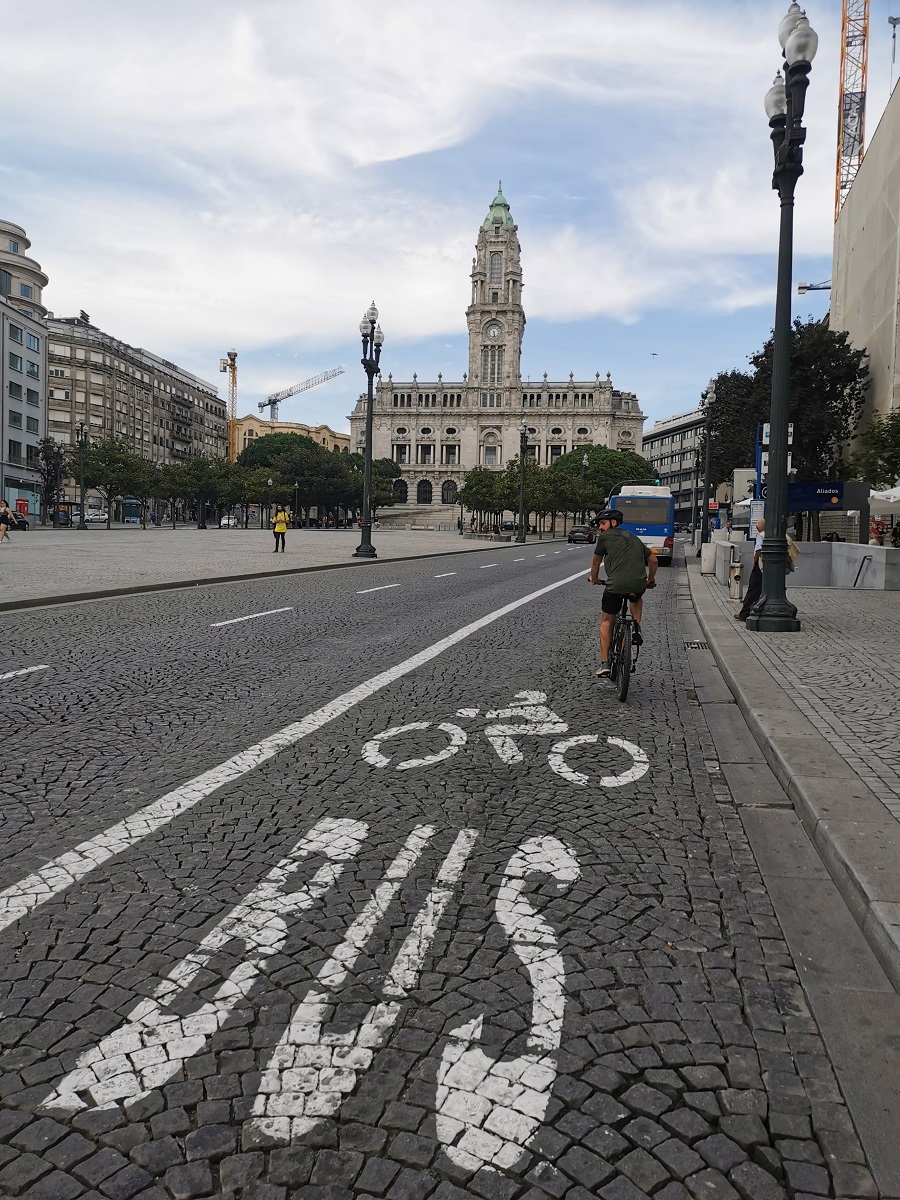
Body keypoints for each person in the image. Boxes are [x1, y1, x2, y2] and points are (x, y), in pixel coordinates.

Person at [588, 508, 657, 678]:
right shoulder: (634, 537)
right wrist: (650, 580)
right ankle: (636, 628)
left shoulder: (604, 538)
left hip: (615, 585)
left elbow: (596, 564)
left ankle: (605, 663)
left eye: (602, 523)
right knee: (637, 598)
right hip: (638, 585)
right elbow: (653, 560)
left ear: (614, 522)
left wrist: (595, 579)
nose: (600, 528)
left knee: (606, 621)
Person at [735, 518, 765, 621]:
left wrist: (754, 561)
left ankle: (744, 613)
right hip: (770, 567)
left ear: (757, 528)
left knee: (753, 589)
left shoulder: (761, 536)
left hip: (760, 566)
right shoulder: (770, 535)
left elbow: (758, 550)